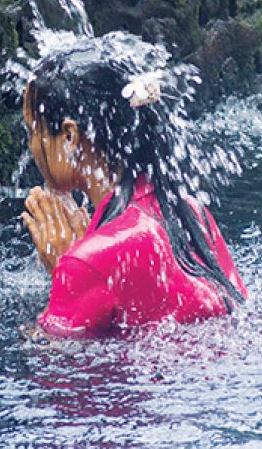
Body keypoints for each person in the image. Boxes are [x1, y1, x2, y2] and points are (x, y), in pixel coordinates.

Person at [19, 34, 247, 339]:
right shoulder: (190, 212)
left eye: (33, 130)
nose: (32, 145)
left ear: (70, 137)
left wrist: (65, 273)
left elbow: (57, 373)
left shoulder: (88, 261)